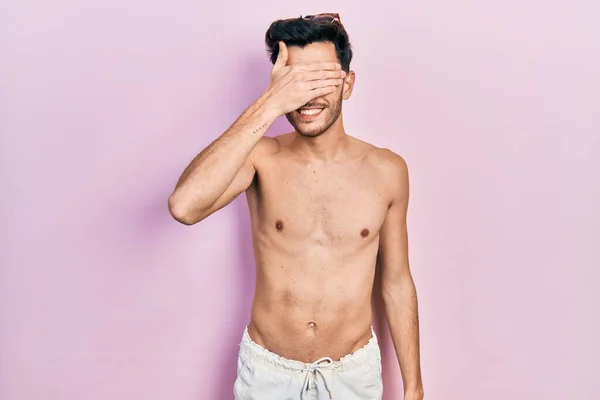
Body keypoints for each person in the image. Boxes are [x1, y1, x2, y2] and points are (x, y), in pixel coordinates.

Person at [168, 13, 424, 400]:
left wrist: (414, 387)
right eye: (295, 82)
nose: (307, 96)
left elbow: (396, 280)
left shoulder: (387, 170)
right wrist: (269, 104)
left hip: (353, 374)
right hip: (268, 373)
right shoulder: (261, 158)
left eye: (320, 80)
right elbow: (184, 206)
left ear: (348, 84)